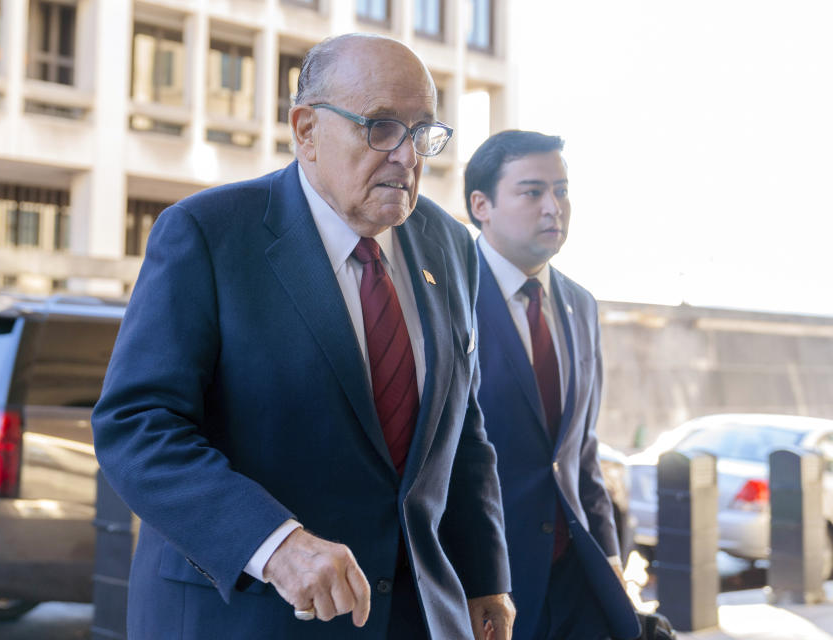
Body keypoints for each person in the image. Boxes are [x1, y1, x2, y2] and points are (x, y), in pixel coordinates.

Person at [92, 33, 514, 640]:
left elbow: (461, 428)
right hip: (247, 616)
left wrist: (483, 579)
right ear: (306, 129)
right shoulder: (207, 234)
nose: (406, 155)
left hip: (416, 619)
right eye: (381, 127)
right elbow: (136, 424)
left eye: (422, 130)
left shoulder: (449, 246)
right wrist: (276, 543)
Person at [465, 130, 641, 640]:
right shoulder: (445, 296)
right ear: (482, 205)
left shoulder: (580, 304)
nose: (553, 207)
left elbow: (581, 452)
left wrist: (610, 558)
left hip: (577, 577)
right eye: (532, 191)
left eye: (562, 191)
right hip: (487, 584)